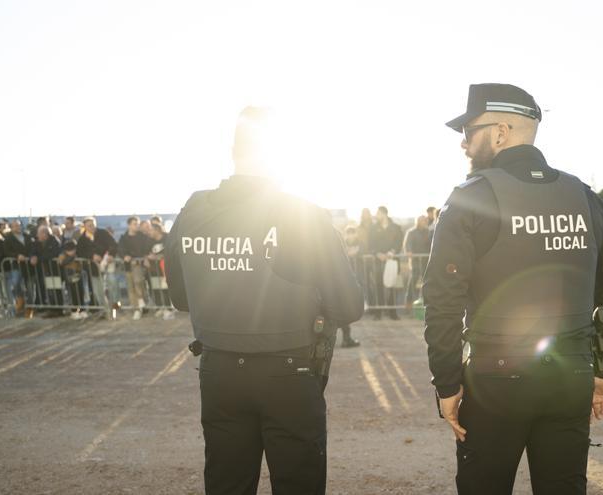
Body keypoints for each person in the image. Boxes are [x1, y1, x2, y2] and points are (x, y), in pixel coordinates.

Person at [425, 83, 603, 494]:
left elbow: (442, 301)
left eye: (469, 131)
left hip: (496, 378)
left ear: (500, 132)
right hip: (572, 373)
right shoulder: (585, 198)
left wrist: (446, 385)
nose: (463, 144)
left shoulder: (472, 198)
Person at [164, 106, 364, 495]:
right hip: (290, 371)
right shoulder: (303, 214)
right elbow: (349, 305)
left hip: (220, 370)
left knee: (227, 483)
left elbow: (180, 297)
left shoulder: (193, 211)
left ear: (234, 151)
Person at [76, 216, 118, 313]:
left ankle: (115, 306)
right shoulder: (82, 239)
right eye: (89, 226)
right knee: (98, 290)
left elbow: (114, 245)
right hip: (93, 267)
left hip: (108, 262)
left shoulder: (103, 233)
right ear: (85, 227)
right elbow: (79, 252)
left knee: (112, 283)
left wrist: (111, 255)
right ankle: (105, 310)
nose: (91, 227)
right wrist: (91, 256)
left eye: (93, 225)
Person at [368, 205, 403, 320]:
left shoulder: (396, 227)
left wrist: (392, 252)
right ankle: (378, 313)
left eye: (378, 213)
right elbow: (371, 244)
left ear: (384, 213)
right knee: (378, 285)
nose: (376, 216)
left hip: (392, 260)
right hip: (378, 261)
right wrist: (377, 253)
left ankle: (393, 313)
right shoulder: (373, 228)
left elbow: (399, 242)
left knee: (391, 285)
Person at [118, 216, 152, 320]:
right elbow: (120, 250)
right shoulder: (123, 238)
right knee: (131, 288)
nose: (137, 226)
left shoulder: (142, 237)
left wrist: (138, 257)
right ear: (129, 225)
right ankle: (137, 309)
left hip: (140, 266)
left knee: (139, 283)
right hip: (128, 267)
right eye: (134, 224)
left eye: (137, 224)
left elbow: (146, 249)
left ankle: (142, 302)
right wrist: (125, 256)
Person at [402, 214, 432, 308]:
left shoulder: (429, 232)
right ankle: (408, 303)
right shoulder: (411, 232)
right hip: (415, 261)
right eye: (423, 220)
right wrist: (409, 251)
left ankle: (426, 304)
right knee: (412, 282)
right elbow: (407, 244)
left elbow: (431, 244)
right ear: (418, 222)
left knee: (426, 283)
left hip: (426, 261)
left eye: (425, 220)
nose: (425, 222)